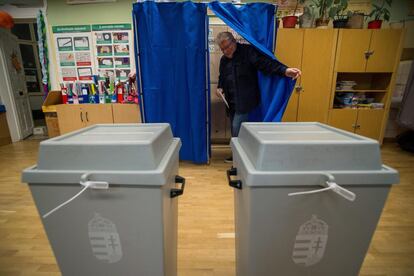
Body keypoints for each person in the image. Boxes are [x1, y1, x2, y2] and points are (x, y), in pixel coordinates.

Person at [216, 32, 301, 163]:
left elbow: (266, 64)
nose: (226, 51)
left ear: (234, 42)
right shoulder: (224, 60)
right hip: (231, 102)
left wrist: (285, 70)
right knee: (236, 130)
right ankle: (241, 155)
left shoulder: (247, 52)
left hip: (245, 101)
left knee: (237, 128)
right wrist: (220, 87)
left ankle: (239, 158)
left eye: (227, 47)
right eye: (222, 49)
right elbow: (222, 77)